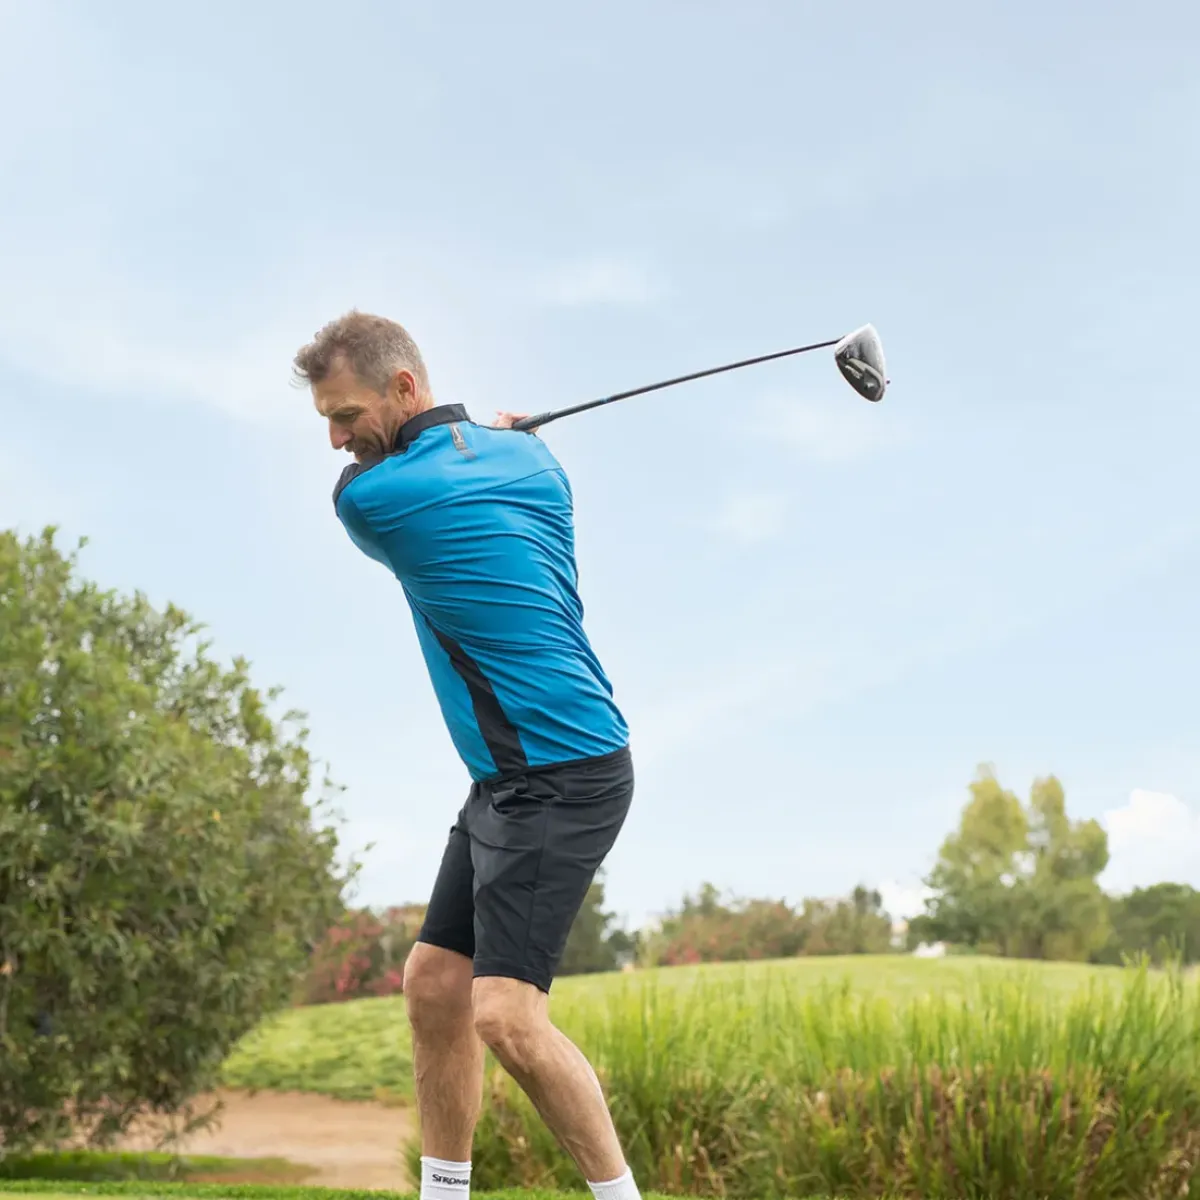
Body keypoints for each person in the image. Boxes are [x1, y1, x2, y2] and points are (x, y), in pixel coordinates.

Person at [293, 311, 640, 1200]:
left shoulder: (375, 504)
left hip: (558, 775)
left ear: (404, 388)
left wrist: (478, 436)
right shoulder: (538, 464)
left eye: (347, 415)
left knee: (507, 1017)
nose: (336, 440)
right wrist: (494, 436)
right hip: (514, 772)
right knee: (434, 984)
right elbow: (471, 455)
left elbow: (361, 483)